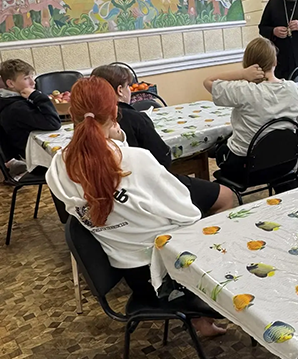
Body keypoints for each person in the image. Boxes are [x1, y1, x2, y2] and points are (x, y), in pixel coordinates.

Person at [47, 76, 226, 337]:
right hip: (171, 274)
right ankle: (207, 310)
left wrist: (118, 143)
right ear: (115, 112)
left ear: (71, 115)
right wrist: (121, 145)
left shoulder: (56, 167)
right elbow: (188, 213)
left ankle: (200, 320)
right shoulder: (135, 159)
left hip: (132, 274)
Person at [91, 64, 234, 216]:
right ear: (120, 90)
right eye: (128, 86)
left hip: (111, 190)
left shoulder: (87, 120)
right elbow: (163, 159)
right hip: (147, 187)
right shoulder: (135, 120)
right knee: (225, 195)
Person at [204, 36, 298, 187]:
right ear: (275, 61)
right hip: (285, 163)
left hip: (245, 168)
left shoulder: (245, 90)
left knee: (219, 148)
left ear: (248, 64)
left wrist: (242, 74)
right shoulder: (293, 88)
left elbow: (208, 82)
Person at [0, 59, 61, 166]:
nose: (33, 82)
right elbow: (54, 123)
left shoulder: (8, 100)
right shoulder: (17, 108)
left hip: (29, 155)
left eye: (32, 77)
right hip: (35, 162)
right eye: (26, 78)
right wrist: (38, 96)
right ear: (10, 83)